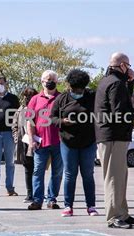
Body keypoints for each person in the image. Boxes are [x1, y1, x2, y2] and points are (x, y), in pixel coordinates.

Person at [94, 52, 134, 228]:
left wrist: (129, 83)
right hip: (113, 136)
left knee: (120, 176)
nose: (130, 69)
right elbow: (120, 112)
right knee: (114, 177)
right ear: (122, 65)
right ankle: (114, 216)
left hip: (111, 135)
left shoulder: (109, 81)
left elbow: (122, 103)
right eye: (128, 66)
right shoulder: (115, 84)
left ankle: (122, 213)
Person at [51, 69, 98, 217]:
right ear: (69, 86)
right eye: (74, 89)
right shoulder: (61, 99)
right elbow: (52, 118)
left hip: (88, 143)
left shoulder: (92, 96)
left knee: (88, 175)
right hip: (68, 143)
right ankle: (68, 206)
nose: (77, 92)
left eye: (80, 89)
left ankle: (91, 206)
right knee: (70, 175)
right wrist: (62, 121)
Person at [26, 70, 64, 210]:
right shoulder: (34, 99)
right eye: (47, 79)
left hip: (59, 143)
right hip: (40, 143)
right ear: (42, 81)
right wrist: (31, 138)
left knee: (57, 172)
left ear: (57, 81)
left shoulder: (62, 98)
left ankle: (51, 199)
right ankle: (37, 200)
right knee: (38, 171)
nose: (50, 81)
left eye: (53, 79)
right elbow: (29, 121)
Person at [12, 87, 38, 203]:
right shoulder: (20, 110)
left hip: (37, 142)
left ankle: (39, 194)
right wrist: (17, 139)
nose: (27, 98)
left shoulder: (39, 108)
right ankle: (29, 194)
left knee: (38, 169)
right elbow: (15, 126)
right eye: (25, 95)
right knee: (28, 169)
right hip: (24, 143)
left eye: (29, 95)